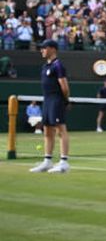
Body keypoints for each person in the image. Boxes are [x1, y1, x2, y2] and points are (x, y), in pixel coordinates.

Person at [29, 39, 70, 174]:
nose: (42, 50)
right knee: (47, 130)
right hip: (47, 100)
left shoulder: (58, 65)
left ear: (53, 49)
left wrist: (65, 100)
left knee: (60, 130)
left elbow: (64, 86)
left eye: (44, 48)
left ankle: (64, 162)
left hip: (56, 100)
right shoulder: (45, 66)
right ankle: (47, 161)